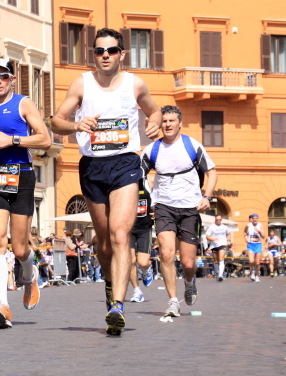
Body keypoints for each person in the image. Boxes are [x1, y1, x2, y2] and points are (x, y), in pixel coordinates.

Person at [51, 28, 162, 335]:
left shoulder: (135, 84)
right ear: (94, 55)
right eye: (99, 51)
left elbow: (155, 112)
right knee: (103, 243)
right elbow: (55, 121)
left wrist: (153, 124)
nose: (105, 56)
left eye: (111, 50)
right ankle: (111, 286)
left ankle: (119, 306)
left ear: (121, 54)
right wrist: (77, 125)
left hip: (125, 163)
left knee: (120, 233)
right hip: (92, 166)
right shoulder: (81, 83)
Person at [0, 58, 51, 329]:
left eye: (3, 76)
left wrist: (13, 140)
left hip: (22, 176)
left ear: (12, 79)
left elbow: (45, 139)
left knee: (19, 249)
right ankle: (3, 306)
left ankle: (30, 274)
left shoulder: (23, 103)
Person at [140, 105, 217, 318]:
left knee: (188, 263)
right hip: (163, 207)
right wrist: (148, 200)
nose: (167, 125)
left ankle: (190, 282)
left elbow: (212, 172)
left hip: (190, 208)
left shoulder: (192, 145)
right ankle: (173, 301)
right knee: (166, 253)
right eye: (164, 121)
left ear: (179, 123)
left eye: (171, 121)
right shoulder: (152, 150)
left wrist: (207, 197)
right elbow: (138, 176)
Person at [129, 188, 154, 303]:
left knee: (142, 262)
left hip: (144, 229)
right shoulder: (124, 184)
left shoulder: (149, 184)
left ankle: (147, 268)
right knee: (130, 261)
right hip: (129, 229)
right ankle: (137, 291)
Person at [205, 214, 231, 282]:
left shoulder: (225, 227)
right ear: (215, 220)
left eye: (219, 219)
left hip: (222, 244)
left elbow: (228, 233)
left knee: (221, 259)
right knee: (216, 260)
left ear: (221, 220)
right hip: (214, 245)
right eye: (217, 220)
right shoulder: (211, 227)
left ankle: (220, 275)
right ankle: (217, 273)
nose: (218, 221)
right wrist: (213, 239)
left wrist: (228, 240)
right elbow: (207, 236)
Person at [244, 214, 265, 283]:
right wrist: (245, 237)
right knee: (251, 261)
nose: (255, 219)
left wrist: (259, 231)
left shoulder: (260, 225)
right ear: (251, 219)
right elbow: (244, 232)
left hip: (258, 244)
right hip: (250, 244)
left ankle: (257, 275)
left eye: (256, 218)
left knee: (258, 262)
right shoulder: (248, 225)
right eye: (254, 218)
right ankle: (252, 272)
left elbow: (263, 236)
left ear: (258, 219)